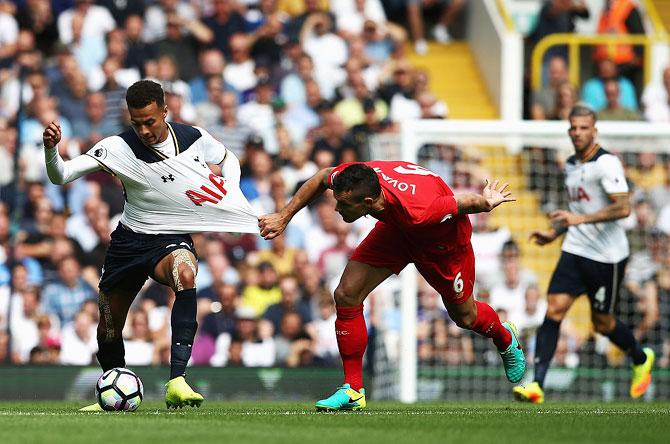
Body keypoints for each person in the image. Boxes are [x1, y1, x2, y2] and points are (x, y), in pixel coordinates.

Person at [42, 80, 258, 410]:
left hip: (170, 237)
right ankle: (112, 391)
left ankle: (177, 381)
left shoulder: (193, 138)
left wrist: (228, 192)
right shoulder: (117, 147)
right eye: (136, 122)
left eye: (150, 121)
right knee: (108, 329)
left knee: (185, 274)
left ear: (165, 112)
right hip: (129, 242)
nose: (143, 130)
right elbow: (62, 175)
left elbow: (229, 159)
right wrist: (51, 150)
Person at [259, 160, 525, 411]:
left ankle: (505, 337)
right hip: (398, 232)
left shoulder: (420, 210)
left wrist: (486, 201)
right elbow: (320, 177)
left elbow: (462, 202)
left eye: (343, 205)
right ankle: (353, 390)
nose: (337, 209)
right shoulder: (357, 176)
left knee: (465, 316)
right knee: (346, 293)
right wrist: (284, 216)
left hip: (442, 245)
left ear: (366, 202)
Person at [513, 105, 654, 404]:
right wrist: (555, 232)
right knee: (553, 310)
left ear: (594, 130)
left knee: (602, 323)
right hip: (575, 249)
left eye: (583, 128)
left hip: (607, 257)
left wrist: (579, 220)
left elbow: (623, 207)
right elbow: (577, 210)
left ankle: (641, 358)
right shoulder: (570, 164)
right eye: (573, 128)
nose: (577, 133)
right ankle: (537, 384)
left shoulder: (607, 164)